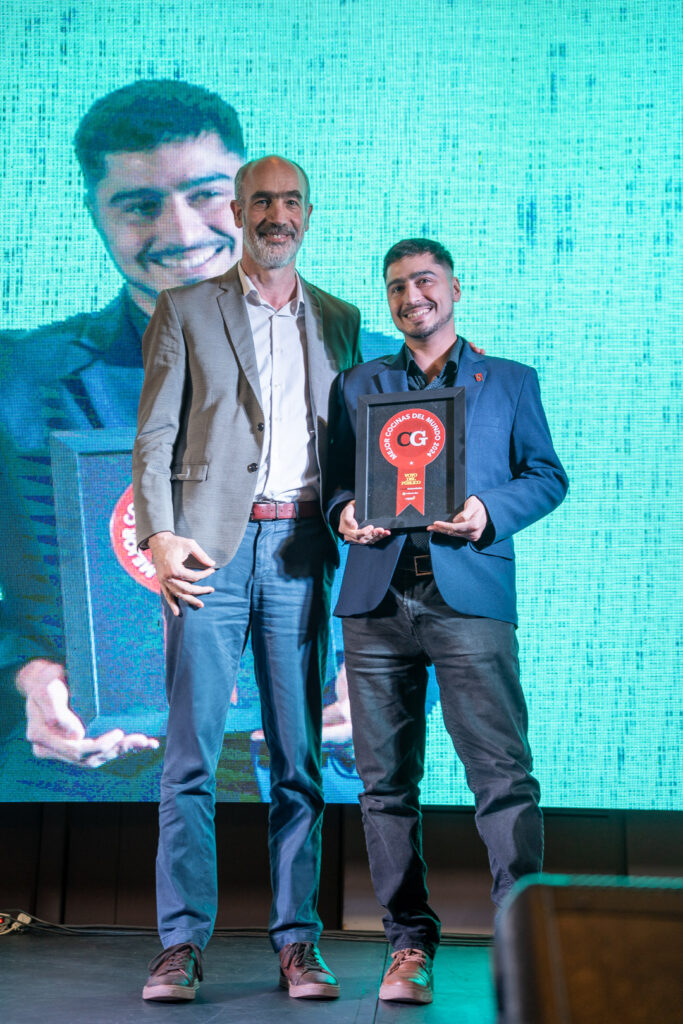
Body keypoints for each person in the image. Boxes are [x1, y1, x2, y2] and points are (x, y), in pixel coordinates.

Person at [132, 155, 362, 1002]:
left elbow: (352, 437)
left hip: (302, 553)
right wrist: (159, 535)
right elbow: (155, 435)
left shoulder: (338, 317)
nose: (276, 215)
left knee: (299, 762)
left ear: (308, 213)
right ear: (236, 212)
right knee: (190, 760)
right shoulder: (185, 307)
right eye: (260, 200)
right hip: (208, 557)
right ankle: (180, 944)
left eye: (290, 201)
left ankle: (298, 944)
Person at [326, 238, 568, 1005]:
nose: (411, 297)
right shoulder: (357, 384)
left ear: (454, 289)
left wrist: (487, 511)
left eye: (424, 281)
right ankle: (407, 945)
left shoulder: (510, 381)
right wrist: (344, 514)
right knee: (383, 787)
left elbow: (547, 476)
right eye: (396, 286)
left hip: (469, 600)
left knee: (501, 779)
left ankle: (521, 943)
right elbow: (335, 484)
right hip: (376, 604)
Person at [0, 80, 246, 776]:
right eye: (140, 206)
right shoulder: (16, 382)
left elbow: (432, 592)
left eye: (206, 194)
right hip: (79, 783)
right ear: (95, 215)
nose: (182, 232)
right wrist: (28, 677)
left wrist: (377, 682)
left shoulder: (372, 376)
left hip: (299, 782)